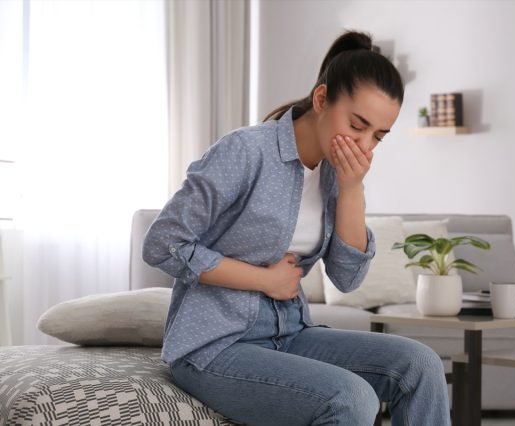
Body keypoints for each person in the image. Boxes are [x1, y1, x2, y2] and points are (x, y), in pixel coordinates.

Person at [143, 30, 450, 426]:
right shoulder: (246, 151)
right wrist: (263, 280)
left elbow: (347, 277)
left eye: (378, 135)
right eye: (357, 125)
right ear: (322, 99)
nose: (365, 145)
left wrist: (352, 188)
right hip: (214, 344)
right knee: (351, 398)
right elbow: (162, 242)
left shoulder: (338, 175)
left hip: (289, 332)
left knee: (420, 365)